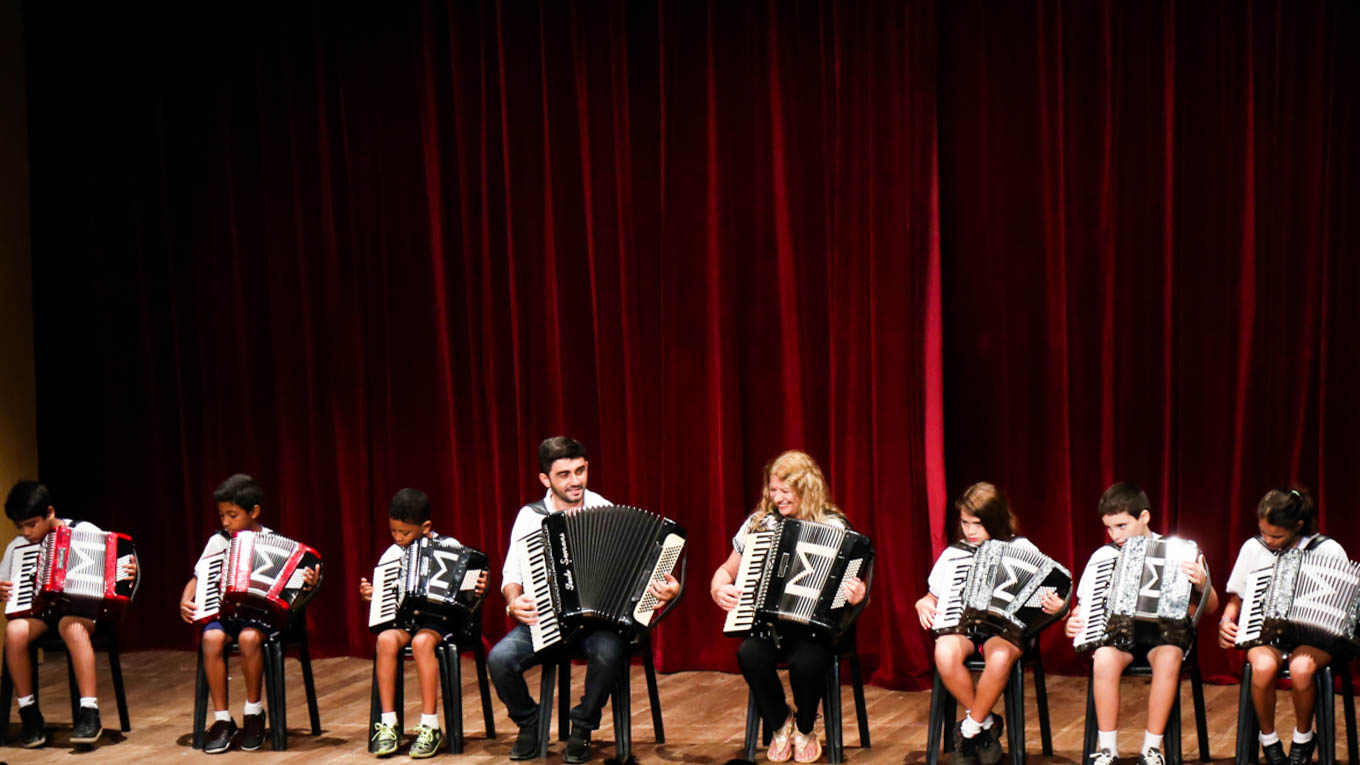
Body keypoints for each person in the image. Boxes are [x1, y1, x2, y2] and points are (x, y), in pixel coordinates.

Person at [489, 436, 680, 763]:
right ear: (545, 479)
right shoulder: (530, 517)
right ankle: (529, 724)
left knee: (609, 654)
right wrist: (513, 602)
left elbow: (639, 575)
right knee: (499, 659)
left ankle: (582, 728)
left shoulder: (605, 511)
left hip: (598, 625)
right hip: (544, 619)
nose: (575, 480)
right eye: (564, 474)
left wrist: (664, 589)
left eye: (580, 470)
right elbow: (511, 576)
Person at [711, 450, 867, 764]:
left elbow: (854, 583)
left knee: (807, 663)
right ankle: (781, 722)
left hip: (816, 628)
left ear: (806, 488)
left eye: (785, 491)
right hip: (769, 624)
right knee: (749, 654)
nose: (777, 497)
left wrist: (856, 593)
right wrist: (719, 586)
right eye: (773, 489)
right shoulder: (760, 524)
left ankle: (807, 727)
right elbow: (727, 570)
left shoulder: (833, 525)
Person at [1065, 482, 1218, 765]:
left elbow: (1210, 607)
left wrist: (1201, 581)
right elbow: (1084, 608)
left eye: (1122, 526)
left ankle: (1151, 749)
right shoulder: (1103, 557)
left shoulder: (1178, 551)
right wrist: (1072, 624)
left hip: (1162, 638)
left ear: (1144, 517)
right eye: (1109, 528)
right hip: (1120, 638)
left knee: (1170, 656)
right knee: (1104, 658)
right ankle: (1107, 749)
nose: (1115, 535)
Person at [914, 482, 1065, 765]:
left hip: (1004, 633)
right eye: (965, 523)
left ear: (994, 521)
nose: (970, 531)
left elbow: (1052, 595)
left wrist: (1059, 607)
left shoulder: (1021, 548)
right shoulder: (954, 554)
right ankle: (986, 725)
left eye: (977, 524)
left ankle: (969, 730)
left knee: (999, 657)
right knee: (944, 654)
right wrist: (924, 602)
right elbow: (932, 595)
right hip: (962, 628)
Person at [177, 473, 319, 754]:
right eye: (222, 516)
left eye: (232, 515)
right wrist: (186, 598)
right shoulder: (218, 542)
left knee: (249, 639)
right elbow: (199, 576)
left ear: (254, 512)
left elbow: (296, 587)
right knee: (211, 639)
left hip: (263, 619)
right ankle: (221, 720)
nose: (226, 523)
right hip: (227, 615)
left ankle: (253, 712)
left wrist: (308, 583)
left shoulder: (275, 542)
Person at [1, 480, 138, 748]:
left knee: (70, 626)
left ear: (50, 513)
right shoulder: (17, 548)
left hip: (81, 613)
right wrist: (4, 589)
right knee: (14, 631)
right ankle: (29, 713)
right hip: (40, 616)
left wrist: (127, 570)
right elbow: (8, 583)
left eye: (32, 524)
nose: (27, 533)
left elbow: (114, 561)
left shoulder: (82, 530)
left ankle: (89, 711)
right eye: (21, 527)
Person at [1218, 487, 1343, 765]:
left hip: (1316, 637)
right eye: (1264, 532)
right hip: (1266, 635)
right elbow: (1236, 599)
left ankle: (1303, 738)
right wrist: (1226, 621)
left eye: (1276, 536)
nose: (1268, 540)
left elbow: (1342, 605)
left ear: (1298, 526)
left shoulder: (1328, 549)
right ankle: (1269, 740)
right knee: (1262, 669)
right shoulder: (1253, 548)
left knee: (1301, 669)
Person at [361, 488, 488, 758]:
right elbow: (387, 598)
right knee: (384, 639)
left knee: (422, 643)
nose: (398, 538)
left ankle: (429, 724)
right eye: (393, 531)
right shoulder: (392, 554)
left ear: (426, 526)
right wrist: (373, 595)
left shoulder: (450, 547)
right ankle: (388, 722)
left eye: (404, 533)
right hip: (405, 621)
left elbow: (469, 589)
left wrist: (478, 587)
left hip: (440, 622)